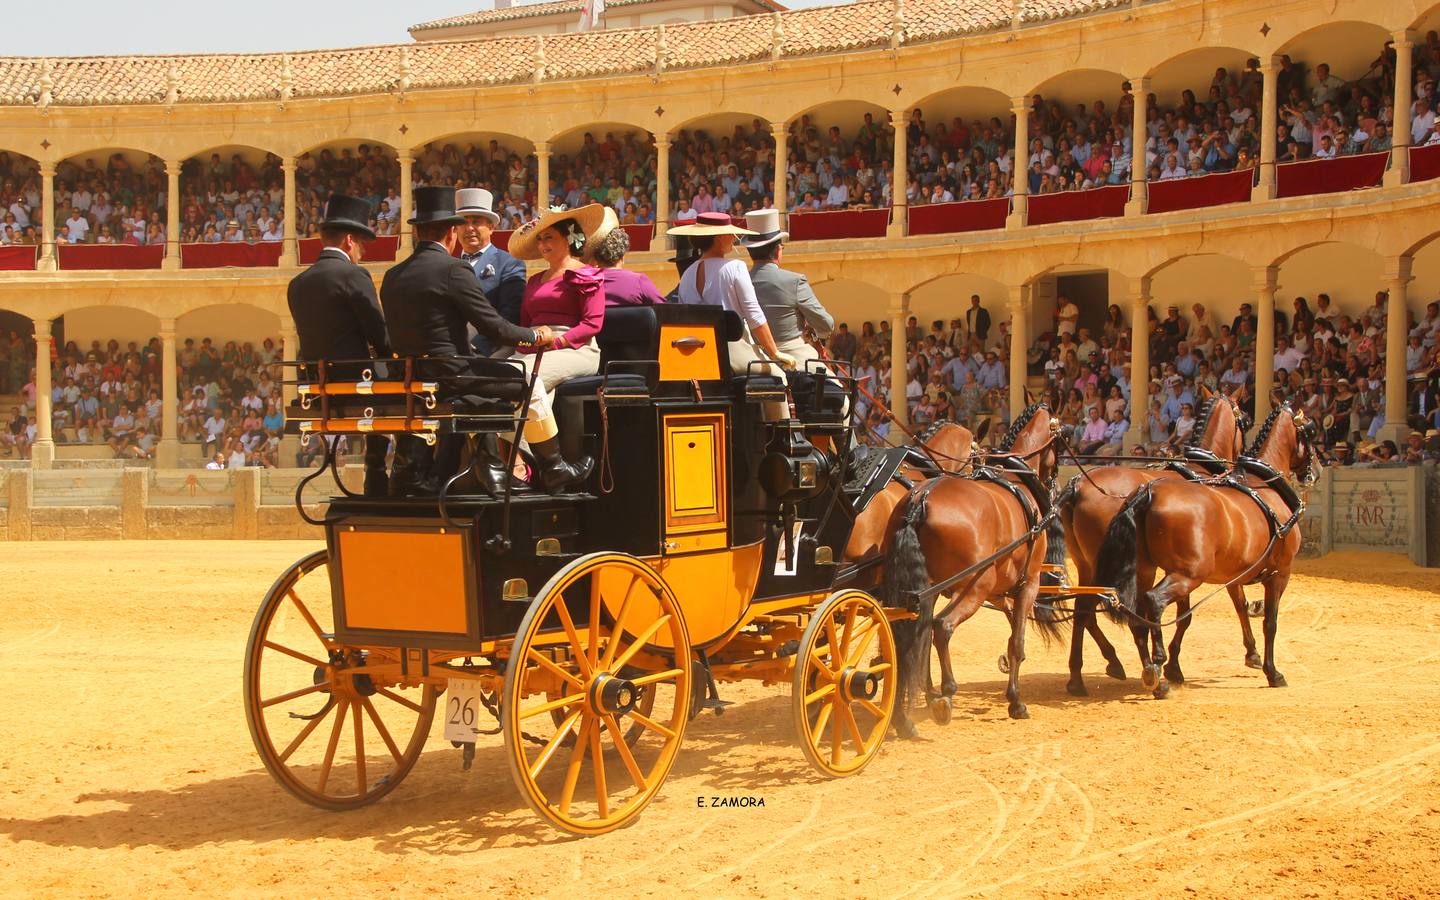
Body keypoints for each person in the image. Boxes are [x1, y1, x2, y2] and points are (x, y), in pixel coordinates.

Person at [381, 186, 551, 497]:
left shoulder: (392, 275)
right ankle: (533, 467)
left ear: (417, 233)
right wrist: (535, 335)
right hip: (453, 376)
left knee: (475, 392)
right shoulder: (453, 268)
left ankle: (439, 473)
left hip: (412, 376)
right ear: (451, 233)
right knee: (525, 383)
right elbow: (494, 326)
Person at [286, 194, 393, 496]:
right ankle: (377, 469)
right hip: (356, 385)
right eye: (362, 245)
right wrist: (394, 358)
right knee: (402, 380)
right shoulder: (353, 275)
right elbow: (379, 336)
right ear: (349, 240)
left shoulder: (299, 283)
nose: (363, 252)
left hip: (318, 388)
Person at [505, 203, 612, 492]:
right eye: (539, 239)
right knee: (496, 375)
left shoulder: (586, 274)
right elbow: (526, 323)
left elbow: (592, 325)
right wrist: (529, 341)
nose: (542, 244)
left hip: (577, 349)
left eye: (548, 237)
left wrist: (557, 340)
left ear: (569, 238)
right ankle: (543, 466)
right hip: (535, 346)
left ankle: (524, 463)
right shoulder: (533, 281)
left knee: (527, 377)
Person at [667, 211, 794, 374]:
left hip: (698, 352)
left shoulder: (687, 274)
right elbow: (754, 315)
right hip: (732, 350)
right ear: (718, 238)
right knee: (780, 378)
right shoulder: (736, 267)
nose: (734, 237)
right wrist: (775, 352)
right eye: (729, 233)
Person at [739, 208, 834, 369]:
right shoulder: (795, 281)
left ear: (750, 251)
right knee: (840, 392)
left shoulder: (739, 282)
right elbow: (826, 324)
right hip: (793, 357)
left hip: (751, 361)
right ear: (777, 251)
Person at [455, 188, 528, 356]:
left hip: (486, 351)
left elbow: (510, 314)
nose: (469, 228)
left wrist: (477, 347)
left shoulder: (508, 263)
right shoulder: (448, 264)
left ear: (491, 227)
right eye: (464, 222)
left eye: (476, 221)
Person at [586, 207, 665, 306]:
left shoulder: (584, 285)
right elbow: (664, 310)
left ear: (596, 257)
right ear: (622, 257)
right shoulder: (639, 281)